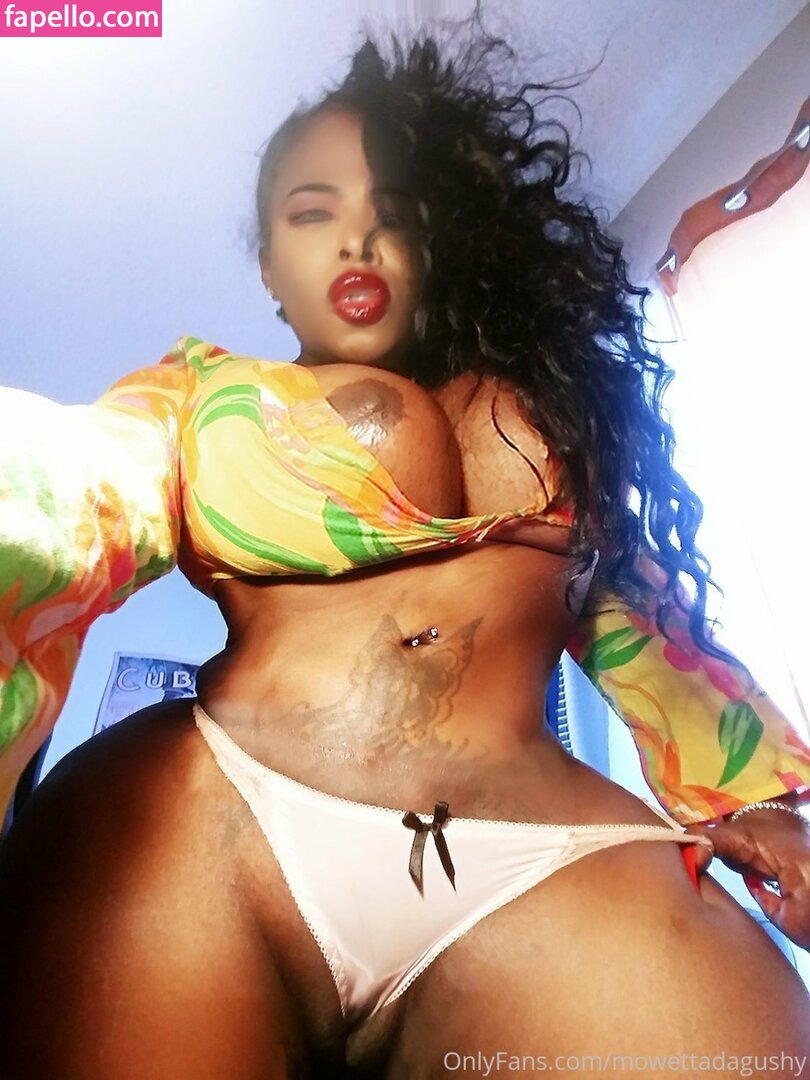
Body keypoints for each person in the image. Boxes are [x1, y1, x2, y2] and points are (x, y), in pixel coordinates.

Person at [1, 19, 810, 1078]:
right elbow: (73, 488)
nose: (356, 240)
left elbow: (631, 614)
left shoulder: (551, 407)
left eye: (393, 212)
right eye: (312, 212)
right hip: (217, 819)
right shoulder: (201, 390)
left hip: (545, 852)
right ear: (270, 266)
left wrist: (755, 797)